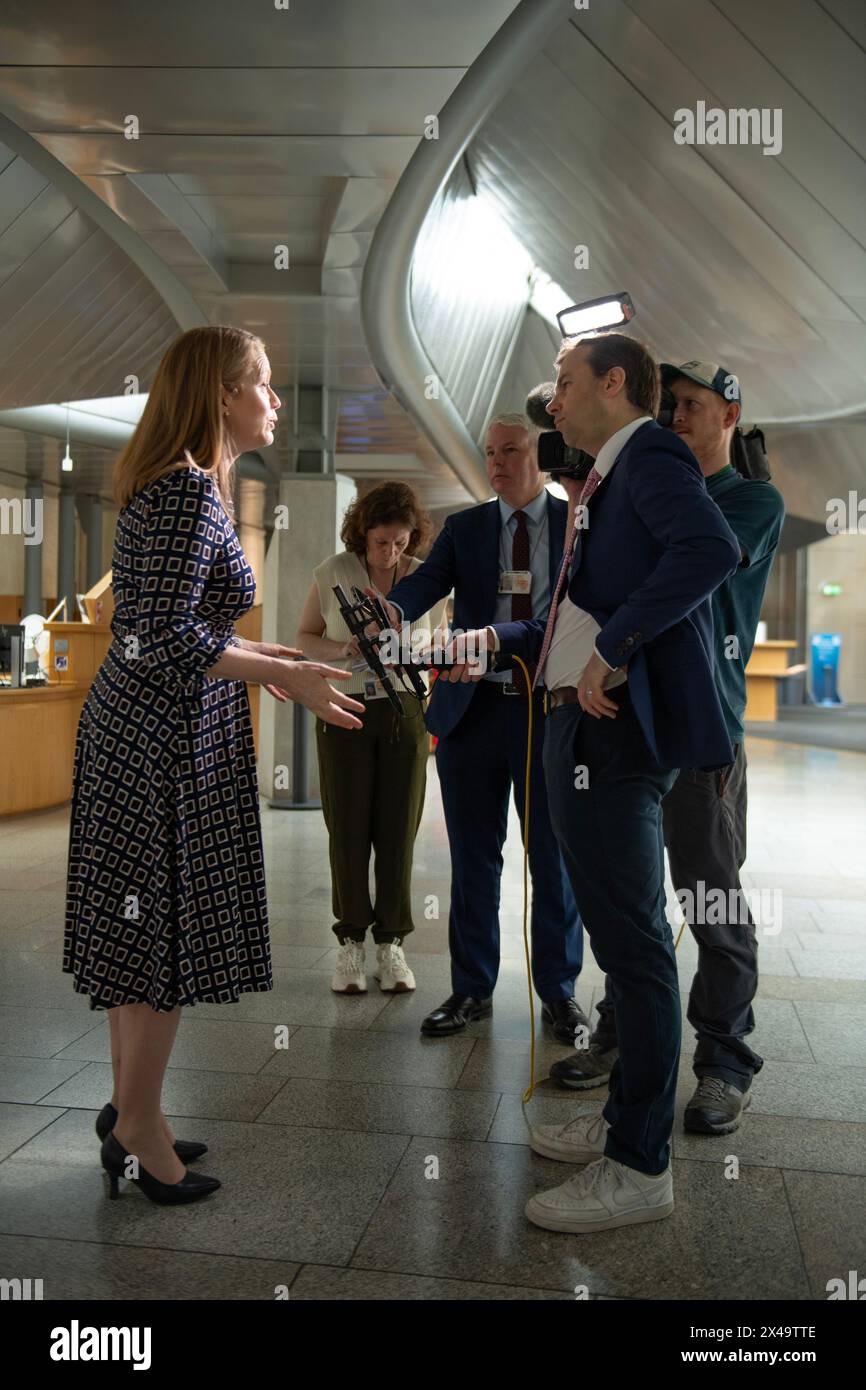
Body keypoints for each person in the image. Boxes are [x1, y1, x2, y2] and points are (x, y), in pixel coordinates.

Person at [444, 333, 740, 1232]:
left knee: (637, 951)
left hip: (614, 738)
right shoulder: (603, 478)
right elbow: (576, 610)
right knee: (625, 944)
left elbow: (711, 549)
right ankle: (624, 1120)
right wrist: (496, 639)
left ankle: (640, 1164)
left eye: (567, 384)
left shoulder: (647, 451)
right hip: (577, 722)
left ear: (616, 384)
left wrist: (614, 652)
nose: (554, 404)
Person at [63, 325, 363, 1206]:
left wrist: (275, 662)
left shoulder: (182, 488)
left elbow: (180, 627)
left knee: (139, 934)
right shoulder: (190, 494)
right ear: (223, 396)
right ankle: (139, 1126)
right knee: (160, 939)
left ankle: (130, 1106)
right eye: (263, 383)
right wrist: (281, 672)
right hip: (157, 744)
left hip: (147, 731)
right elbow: (163, 639)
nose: (275, 399)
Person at [553, 361, 785, 1137]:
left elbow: (700, 561)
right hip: (631, 721)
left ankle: (723, 1062)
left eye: (692, 405)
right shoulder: (640, 480)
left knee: (710, 898)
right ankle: (622, 1040)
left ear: (730, 412)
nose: (678, 416)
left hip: (703, 732)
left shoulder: (749, 501)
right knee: (630, 901)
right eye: (672, 405)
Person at [375, 414, 586, 1042]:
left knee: (553, 857)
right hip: (469, 714)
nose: (497, 462)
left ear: (540, 457)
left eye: (511, 450)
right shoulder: (465, 528)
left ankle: (560, 993)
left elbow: (560, 615)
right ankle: (471, 989)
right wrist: (393, 607)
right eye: (490, 452)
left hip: (545, 710)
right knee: (472, 859)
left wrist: (494, 641)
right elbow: (424, 585)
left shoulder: (573, 523)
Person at [296, 481, 447, 994]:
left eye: (400, 542)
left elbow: (437, 641)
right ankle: (350, 944)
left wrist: (413, 648)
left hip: (405, 707)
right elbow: (304, 637)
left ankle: (392, 943)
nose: (390, 552)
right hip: (344, 705)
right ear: (363, 533)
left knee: (398, 829)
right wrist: (344, 651)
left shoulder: (426, 579)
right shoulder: (334, 571)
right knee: (348, 827)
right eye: (382, 541)